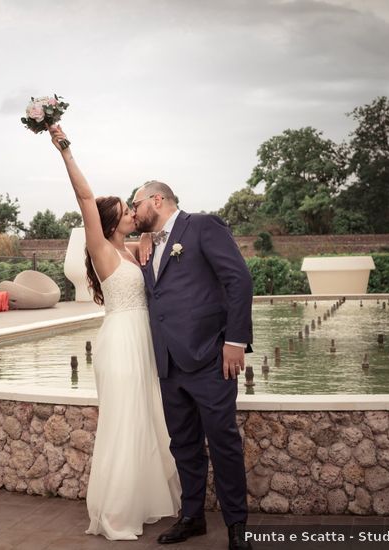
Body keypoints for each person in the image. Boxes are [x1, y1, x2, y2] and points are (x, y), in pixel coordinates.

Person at [49, 125, 181, 541]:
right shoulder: (101, 248)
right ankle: (118, 512)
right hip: (121, 343)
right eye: (125, 211)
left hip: (142, 342)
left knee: (145, 421)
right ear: (109, 221)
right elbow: (85, 198)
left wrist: (143, 235)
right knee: (124, 423)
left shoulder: (133, 248)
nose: (132, 214)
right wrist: (64, 149)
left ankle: (143, 502)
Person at [131, 181, 254, 549]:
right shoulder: (150, 244)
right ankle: (192, 516)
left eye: (135, 204)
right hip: (168, 362)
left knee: (223, 442)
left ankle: (237, 527)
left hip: (210, 358)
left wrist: (235, 341)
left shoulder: (201, 226)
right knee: (183, 444)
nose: (133, 211)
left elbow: (239, 279)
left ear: (157, 199)